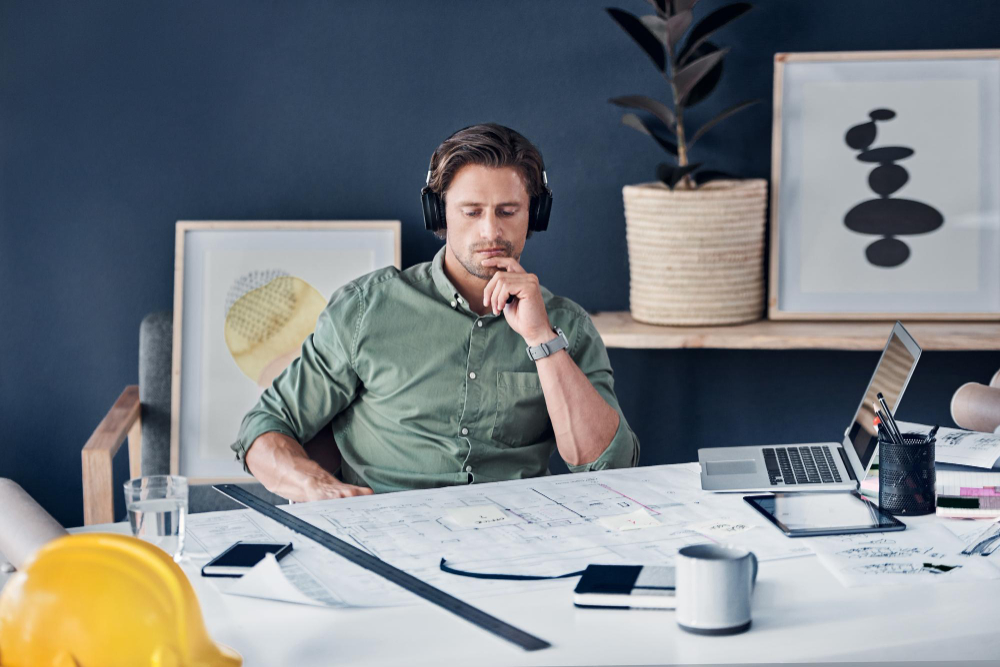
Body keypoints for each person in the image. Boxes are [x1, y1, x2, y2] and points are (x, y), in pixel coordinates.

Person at [232, 123, 639, 501]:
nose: (490, 232)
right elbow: (262, 429)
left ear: (535, 215)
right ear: (438, 213)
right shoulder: (365, 310)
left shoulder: (566, 326)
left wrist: (541, 340)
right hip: (388, 536)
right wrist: (318, 487)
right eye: (472, 211)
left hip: (515, 540)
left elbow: (610, 465)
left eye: (508, 211)